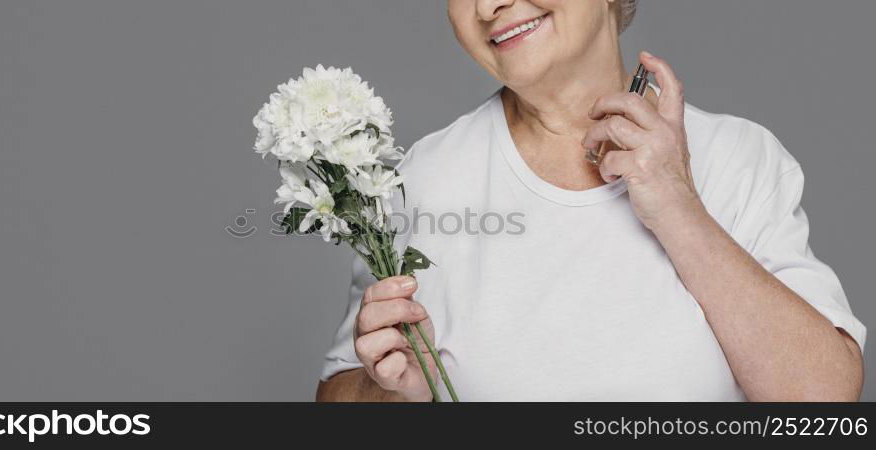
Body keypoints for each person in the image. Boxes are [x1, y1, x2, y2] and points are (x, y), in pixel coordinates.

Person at [315, 0, 865, 401]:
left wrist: (678, 207)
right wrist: (391, 391)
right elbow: (340, 394)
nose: (489, 6)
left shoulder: (741, 158)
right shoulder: (420, 180)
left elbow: (823, 405)